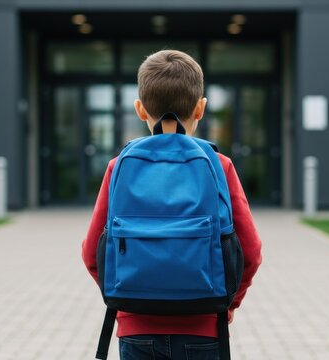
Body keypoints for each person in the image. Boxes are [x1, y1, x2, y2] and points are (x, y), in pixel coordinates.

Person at [82, 49, 262, 360]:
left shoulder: (118, 166)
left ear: (140, 109)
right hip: (204, 327)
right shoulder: (219, 165)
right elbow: (251, 252)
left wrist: (128, 296)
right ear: (201, 109)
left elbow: (92, 254)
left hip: (136, 330)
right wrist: (229, 301)